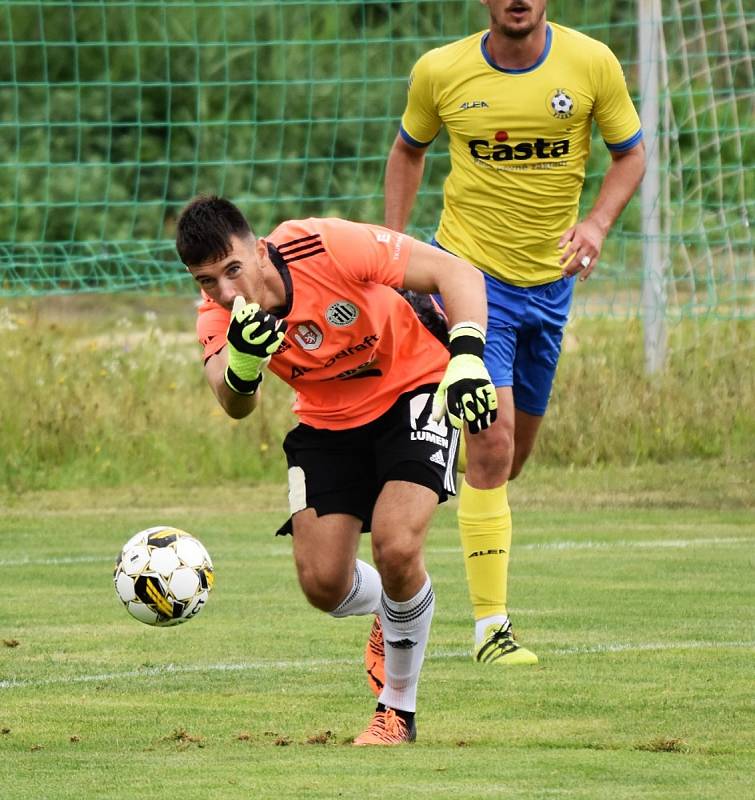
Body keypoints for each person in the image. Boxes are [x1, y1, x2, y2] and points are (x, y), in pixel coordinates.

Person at [175, 195, 497, 745]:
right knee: (324, 585)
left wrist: (467, 354)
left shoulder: (323, 245)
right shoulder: (217, 317)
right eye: (208, 282)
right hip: (325, 421)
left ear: (257, 250)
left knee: (396, 546)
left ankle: (396, 710)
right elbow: (232, 402)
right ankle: (396, 609)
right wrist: (246, 367)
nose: (225, 292)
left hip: (412, 388)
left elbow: (454, 270)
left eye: (232, 270)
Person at [384, 0, 646, 665]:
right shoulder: (440, 71)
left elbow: (630, 157)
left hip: (550, 290)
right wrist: (393, 250)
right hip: (470, 280)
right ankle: (489, 630)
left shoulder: (590, 63)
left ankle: (422, 461)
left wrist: (595, 225)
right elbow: (407, 151)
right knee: (494, 446)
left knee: (505, 461)